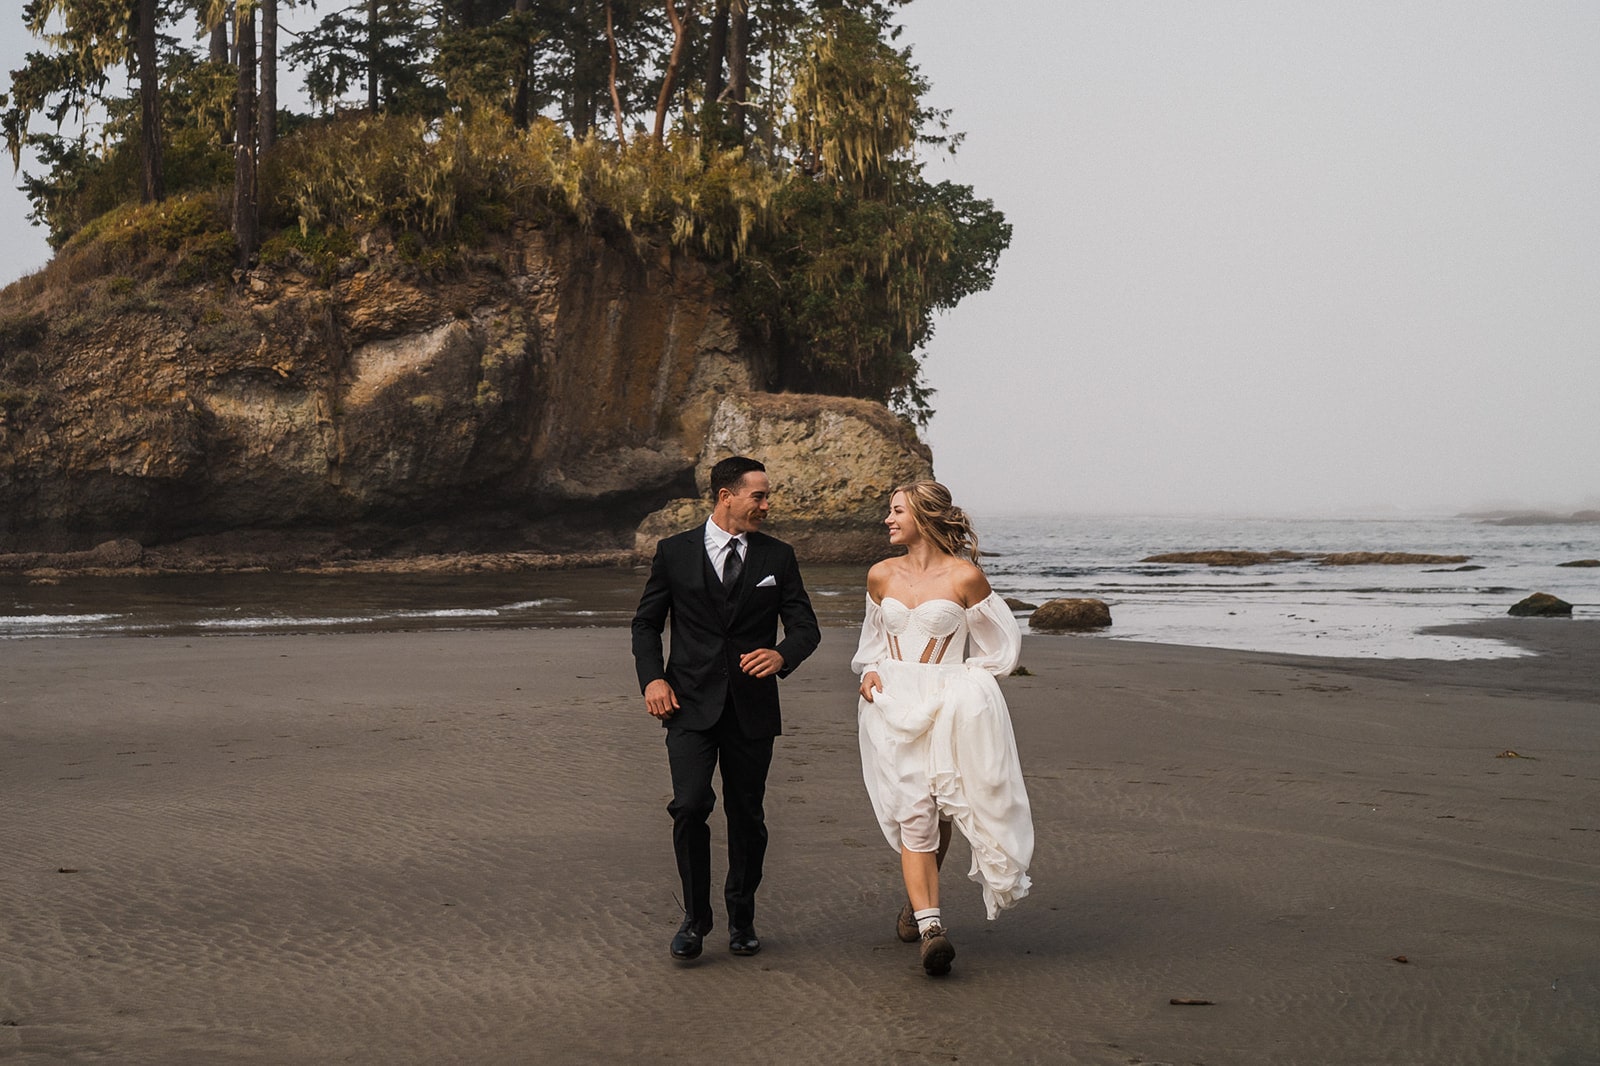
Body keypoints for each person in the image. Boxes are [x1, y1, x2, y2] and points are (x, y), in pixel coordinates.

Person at [632, 456, 822, 962]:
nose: (766, 504)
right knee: (690, 806)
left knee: (747, 815)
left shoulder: (778, 557)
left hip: (752, 708)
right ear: (726, 496)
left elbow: (806, 628)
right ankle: (696, 919)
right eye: (758, 495)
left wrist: (783, 654)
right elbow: (646, 624)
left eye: (766, 495)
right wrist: (652, 678)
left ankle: (742, 917)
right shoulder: (674, 552)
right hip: (687, 704)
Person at [852, 480, 1033, 976]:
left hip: (946, 706)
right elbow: (872, 642)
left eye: (896, 512)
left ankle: (915, 906)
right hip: (891, 705)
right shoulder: (880, 576)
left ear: (924, 518)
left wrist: (966, 685)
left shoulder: (965, 578)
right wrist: (870, 671)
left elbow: (1000, 648)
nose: (887, 520)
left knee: (939, 810)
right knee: (914, 811)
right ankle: (933, 929)